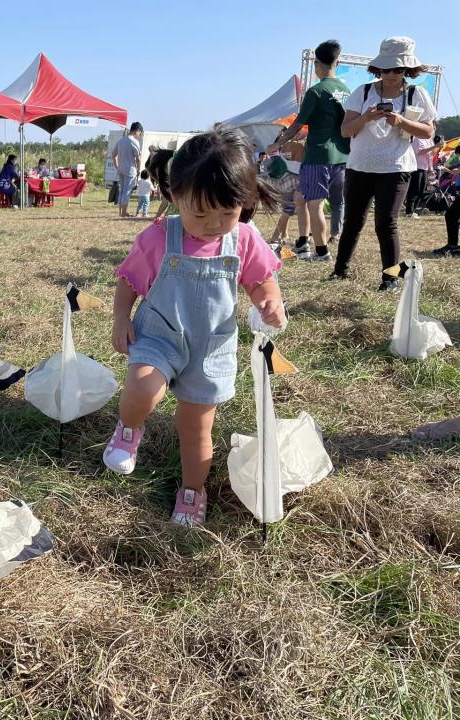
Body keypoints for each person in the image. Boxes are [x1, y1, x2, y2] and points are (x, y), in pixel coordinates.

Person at [104, 126, 284, 527]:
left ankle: (192, 492)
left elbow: (260, 280)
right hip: (160, 334)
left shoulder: (245, 239)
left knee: (196, 430)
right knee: (142, 389)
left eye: (227, 212)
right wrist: (120, 317)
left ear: (244, 202)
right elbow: (128, 279)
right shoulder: (158, 237)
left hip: (211, 348)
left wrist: (269, 302)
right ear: (175, 195)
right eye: (200, 213)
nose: (213, 224)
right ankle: (130, 427)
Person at [331, 36, 437, 292]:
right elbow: (345, 131)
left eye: (398, 69)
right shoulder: (363, 92)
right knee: (353, 222)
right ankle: (339, 270)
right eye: (386, 68)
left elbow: (427, 131)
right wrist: (366, 117)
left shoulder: (416, 93)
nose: (391, 74)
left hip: (396, 167)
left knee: (386, 224)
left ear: (408, 69)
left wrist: (401, 121)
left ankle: (390, 280)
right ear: (378, 68)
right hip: (359, 165)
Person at [266, 40, 350, 262]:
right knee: (301, 197)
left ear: (316, 64)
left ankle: (321, 252)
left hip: (319, 156)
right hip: (341, 156)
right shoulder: (345, 90)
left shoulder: (317, 91)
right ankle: (303, 241)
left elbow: (295, 124)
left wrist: (277, 144)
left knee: (315, 204)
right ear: (338, 62)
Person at [112, 122, 143, 217]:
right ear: (137, 131)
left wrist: (117, 166)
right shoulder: (134, 142)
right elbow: (138, 158)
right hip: (130, 170)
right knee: (127, 192)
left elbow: (114, 154)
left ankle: (120, 212)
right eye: (140, 132)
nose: (139, 135)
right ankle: (124, 212)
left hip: (121, 169)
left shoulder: (121, 140)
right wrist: (138, 170)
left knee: (122, 191)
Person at [405, 134, 437, 217]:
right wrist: (434, 147)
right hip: (416, 167)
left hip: (424, 168)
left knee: (421, 190)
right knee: (414, 190)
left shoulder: (429, 140)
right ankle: (409, 211)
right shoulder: (418, 138)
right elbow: (420, 151)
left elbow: (430, 156)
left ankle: (413, 210)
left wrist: (431, 168)